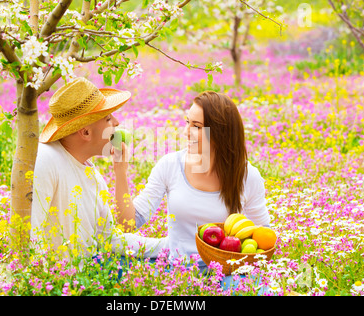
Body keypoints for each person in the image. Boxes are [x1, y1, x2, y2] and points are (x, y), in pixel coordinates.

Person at [113, 91, 271, 272]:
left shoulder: (247, 176)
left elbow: (263, 236)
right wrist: (120, 171)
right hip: (178, 268)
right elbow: (128, 224)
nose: (186, 132)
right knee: (110, 246)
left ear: (220, 133)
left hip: (225, 272)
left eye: (196, 126)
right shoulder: (170, 165)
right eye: (187, 122)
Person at [30, 77, 167, 262]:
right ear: (85, 132)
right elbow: (29, 235)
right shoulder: (45, 159)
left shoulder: (92, 174)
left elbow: (111, 238)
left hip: (84, 278)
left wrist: (171, 245)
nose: (117, 123)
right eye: (108, 118)